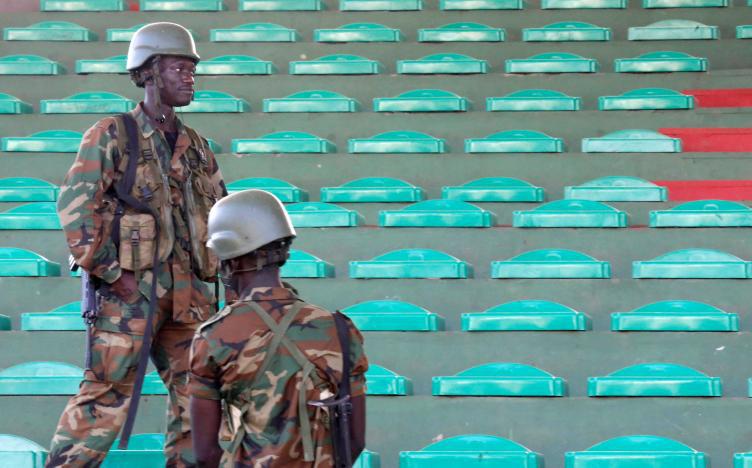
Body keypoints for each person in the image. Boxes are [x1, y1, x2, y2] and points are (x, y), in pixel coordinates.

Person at [47, 22, 226, 467]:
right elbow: (75, 207)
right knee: (103, 399)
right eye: (179, 68)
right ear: (148, 72)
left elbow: (221, 216)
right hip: (129, 298)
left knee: (201, 400)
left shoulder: (198, 147)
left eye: (192, 70)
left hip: (190, 300)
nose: (190, 77)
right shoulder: (113, 133)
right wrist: (113, 273)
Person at [189, 189, 369, 467]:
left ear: (232, 260)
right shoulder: (339, 329)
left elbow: (205, 454)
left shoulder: (213, 336)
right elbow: (354, 441)